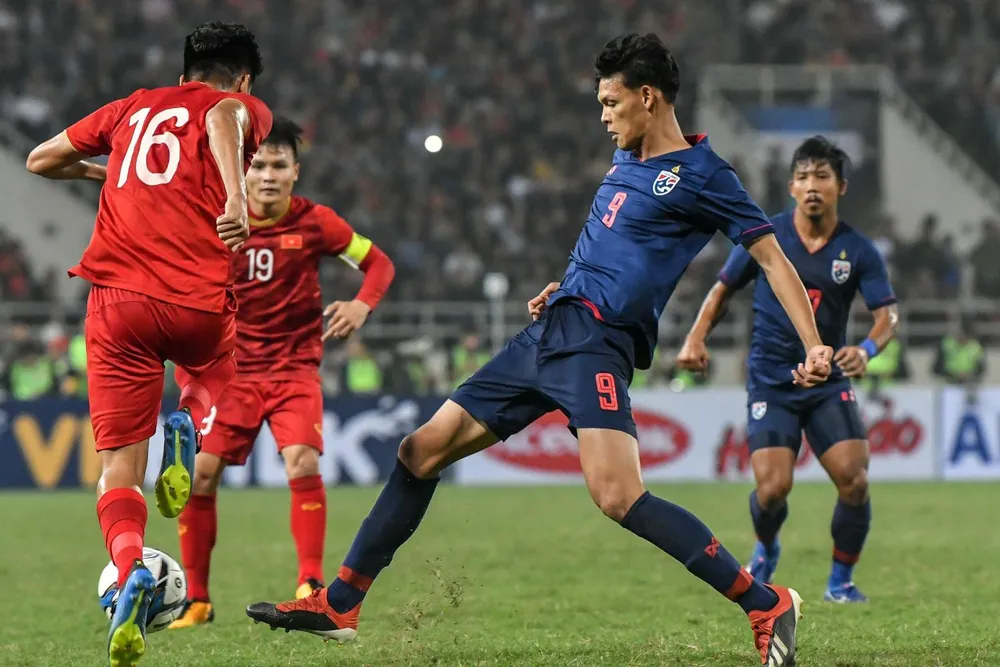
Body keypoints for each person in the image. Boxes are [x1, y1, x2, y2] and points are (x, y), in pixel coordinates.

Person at [246, 33, 832, 666]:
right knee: (419, 451)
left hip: (595, 347)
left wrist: (814, 343)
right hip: (549, 332)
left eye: (611, 102)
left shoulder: (704, 175)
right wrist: (568, 283)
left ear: (648, 96)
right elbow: (617, 248)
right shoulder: (625, 161)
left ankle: (765, 603)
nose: (604, 116)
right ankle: (341, 602)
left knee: (618, 497)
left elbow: (771, 260)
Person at [25, 21, 271, 667]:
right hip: (191, 295)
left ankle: (131, 566)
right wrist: (237, 197)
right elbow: (222, 117)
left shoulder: (131, 106)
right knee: (220, 363)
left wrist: (101, 174)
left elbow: (40, 159)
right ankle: (188, 420)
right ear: (242, 79)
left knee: (117, 472)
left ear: (184, 66)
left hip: (114, 305)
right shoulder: (237, 106)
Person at [168, 118, 395, 628]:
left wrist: (362, 305)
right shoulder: (216, 220)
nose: (268, 175)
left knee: (302, 464)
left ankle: (310, 581)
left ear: (296, 172)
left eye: (279, 165)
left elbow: (378, 263)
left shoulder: (317, 223)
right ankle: (197, 600)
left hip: (293, 371)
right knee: (201, 477)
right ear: (242, 172)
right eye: (259, 165)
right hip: (230, 374)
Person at [677, 136, 898, 604]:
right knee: (773, 489)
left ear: (841, 186)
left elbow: (887, 315)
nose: (811, 185)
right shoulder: (766, 237)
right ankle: (768, 543)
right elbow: (721, 290)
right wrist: (696, 337)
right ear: (791, 187)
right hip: (772, 380)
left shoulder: (857, 250)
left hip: (826, 378)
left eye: (821, 176)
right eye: (802, 177)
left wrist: (868, 349)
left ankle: (840, 581)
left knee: (854, 481)